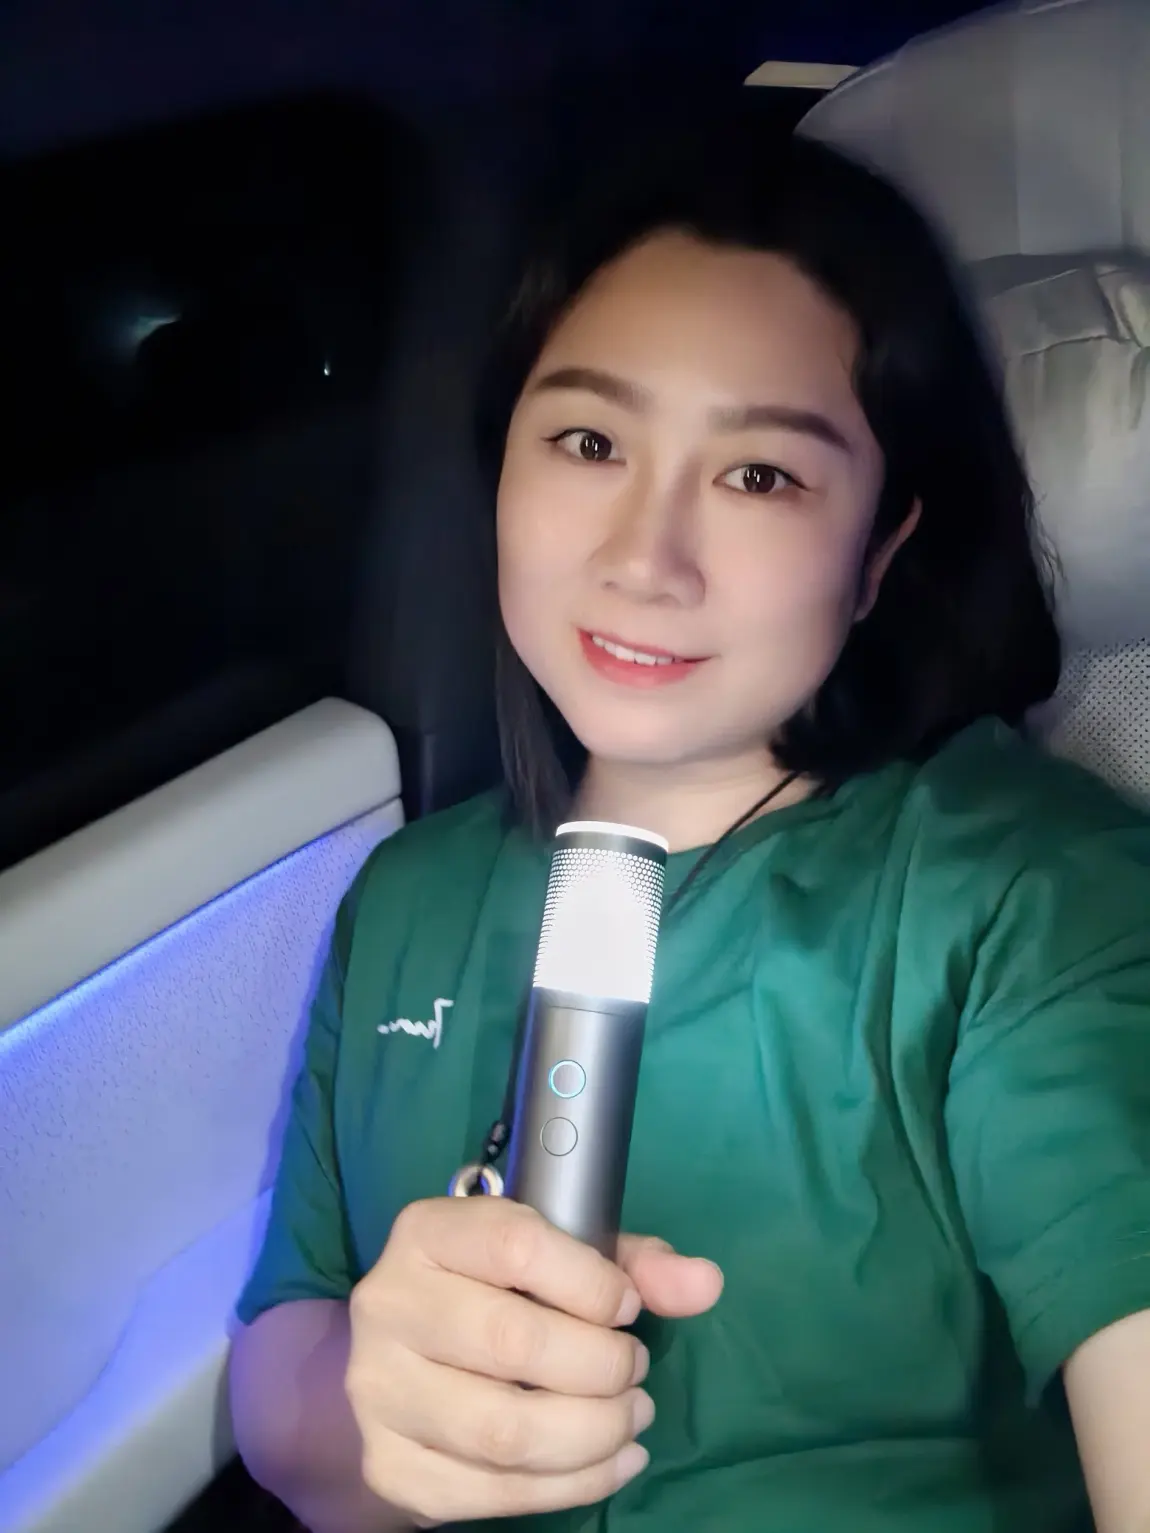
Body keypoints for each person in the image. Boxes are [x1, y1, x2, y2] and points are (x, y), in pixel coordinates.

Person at [228, 111, 1150, 1533]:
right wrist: (385, 1400)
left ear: (881, 550)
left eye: (759, 474)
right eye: (589, 440)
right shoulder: (403, 894)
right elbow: (284, 1364)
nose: (644, 561)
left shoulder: (1033, 894)